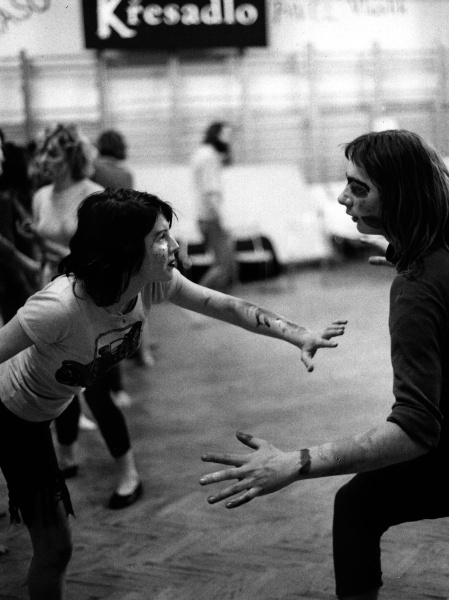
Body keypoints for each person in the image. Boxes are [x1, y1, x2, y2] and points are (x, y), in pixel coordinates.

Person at [0, 186, 345, 599]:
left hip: (44, 412)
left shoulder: (150, 284)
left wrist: (298, 334)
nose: (175, 245)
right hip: (11, 416)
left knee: (55, 548)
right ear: (126, 249)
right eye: (161, 237)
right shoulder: (59, 306)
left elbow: (225, 305)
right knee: (55, 550)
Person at [199, 129, 449, 600]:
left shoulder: (416, 290)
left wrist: (297, 462)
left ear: (400, 197)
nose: (342, 197)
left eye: (359, 188)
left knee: (357, 506)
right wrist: (408, 259)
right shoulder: (434, 254)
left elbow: (417, 430)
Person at [24, 123, 138, 507]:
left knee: (98, 391)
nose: (45, 160)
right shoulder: (41, 196)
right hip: (52, 297)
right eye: (43, 152)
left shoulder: (92, 196)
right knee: (60, 383)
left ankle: (129, 474)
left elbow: (99, 259)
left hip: (90, 303)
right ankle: (68, 455)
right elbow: (43, 251)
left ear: (72, 156)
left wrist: (53, 253)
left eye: (54, 153)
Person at [92, 128, 156, 369]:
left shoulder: (94, 170)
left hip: (102, 241)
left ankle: (114, 354)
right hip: (127, 240)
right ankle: (144, 351)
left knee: (107, 303)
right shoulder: (126, 174)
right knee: (135, 299)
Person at [191, 121, 236, 292]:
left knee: (222, 264)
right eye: (227, 135)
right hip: (211, 217)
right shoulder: (209, 157)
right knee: (224, 266)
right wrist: (222, 220)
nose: (230, 140)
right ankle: (196, 297)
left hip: (205, 216)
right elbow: (211, 192)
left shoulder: (202, 153)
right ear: (216, 135)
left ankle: (204, 298)